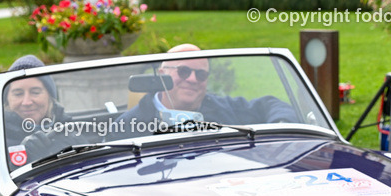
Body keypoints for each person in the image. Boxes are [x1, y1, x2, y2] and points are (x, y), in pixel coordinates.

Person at [117, 44, 297, 132]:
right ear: (162, 73)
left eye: (201, 74)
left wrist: (282, 125)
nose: (193, 79)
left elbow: (269, 104)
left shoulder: (224, 108)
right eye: (184, 71)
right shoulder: (129, 124)